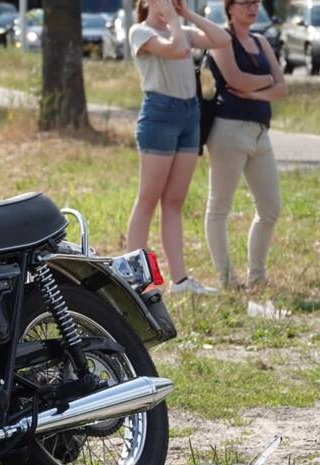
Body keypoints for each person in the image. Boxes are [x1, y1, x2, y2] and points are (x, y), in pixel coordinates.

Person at [127, 0, 230, 295]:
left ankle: (181, 280)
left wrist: (186, 14)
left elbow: (222, 39)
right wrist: (174, 20)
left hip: (189, 113)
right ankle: (135, 280)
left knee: (174, 201)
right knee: (148, 198)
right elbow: (177, 49)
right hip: (160, 113)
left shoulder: (180, 28)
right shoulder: (140, 32)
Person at [204, 0, 286, 290]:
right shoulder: (221, 39)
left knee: (270, 207)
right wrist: (267, 82)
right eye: (245, 2)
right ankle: (227, 278)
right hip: (229, 129)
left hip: (260, 132)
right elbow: (234, 78)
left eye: (256, 2)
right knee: (219, 207)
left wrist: (255, 91)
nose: (252, 7)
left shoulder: (261, 41)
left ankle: (257, 276)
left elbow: (282, 87)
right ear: (230, 7)